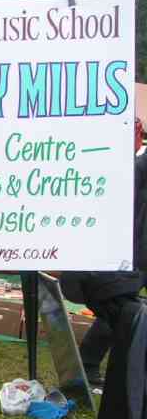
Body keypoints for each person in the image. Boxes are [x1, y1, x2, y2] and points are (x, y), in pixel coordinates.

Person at [77, 117, 147, 386]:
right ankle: (89, 363)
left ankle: (90, 363)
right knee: (118, 307)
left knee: (120, 307)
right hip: (136, 249)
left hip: (137, 247)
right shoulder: (138, 165)